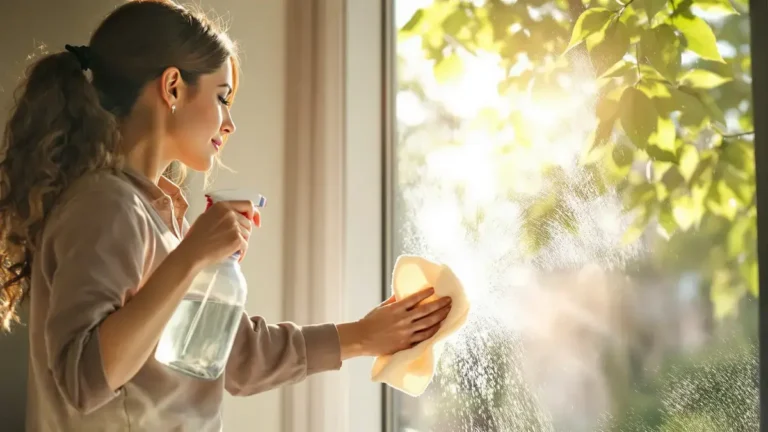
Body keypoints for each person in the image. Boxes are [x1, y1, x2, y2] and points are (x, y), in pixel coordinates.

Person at [0, 1, 452, 430]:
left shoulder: (154, 216)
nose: (229, 124)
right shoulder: (106, 206)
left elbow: (237, 358)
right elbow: (84, 379)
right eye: (222, 97)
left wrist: (365, 336)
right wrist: (192, 257)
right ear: (172, 86)